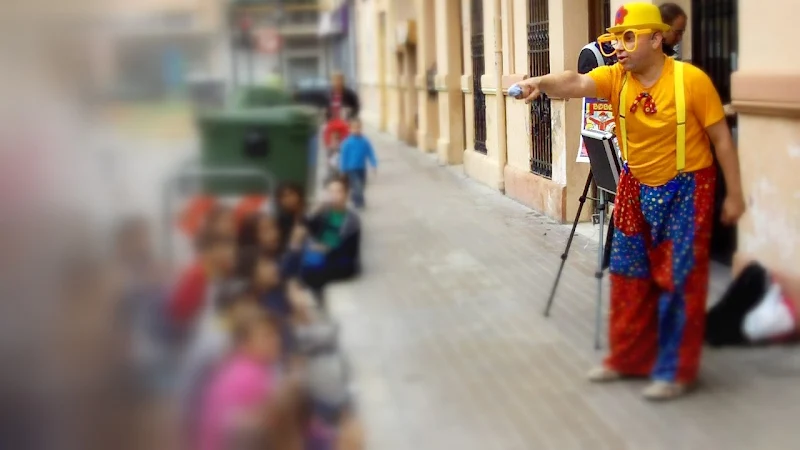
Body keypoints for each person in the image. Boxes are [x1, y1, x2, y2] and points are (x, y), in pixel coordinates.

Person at [514, 2, 746, 400]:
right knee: (628, 273)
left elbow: (722, 139)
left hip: (687, 186)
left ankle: (675, 370)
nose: (618, 47)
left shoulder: (690, 81)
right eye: (616, 38)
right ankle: (629, 357)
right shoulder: (616, 78)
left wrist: (736, 195)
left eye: (628, 37)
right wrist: (541, 82)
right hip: (636, 185)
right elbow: (574, 82)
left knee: (679, 279)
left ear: (657, 39)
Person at [195, 311, 282, 450]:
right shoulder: (249, 374)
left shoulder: (237, 365)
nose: (276, 340)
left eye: (276, 334)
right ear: (244, 343)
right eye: (267, 336)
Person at [301, 176, 362, 308]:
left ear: (346, 194)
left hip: (342, 263)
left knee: (308, 272)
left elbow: (349, 251)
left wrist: (326, 248)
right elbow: (308, 227)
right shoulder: (326, 212)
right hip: (321, 254)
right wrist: (315, 211)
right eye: (331, 192)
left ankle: (318, 304)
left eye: (339, 191)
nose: (335, 195)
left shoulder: (351, 219)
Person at [339, 118, 378, 209]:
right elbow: (344, 156)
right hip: (351, 168)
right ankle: (359, 202)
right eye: (354, 128)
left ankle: (355, 197)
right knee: (357, 185)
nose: (357, 130)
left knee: (362, 185)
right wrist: (343, 169)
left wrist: (374, 164)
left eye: (358, 128)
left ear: (361, 128)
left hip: (362, 168)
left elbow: (370, 152)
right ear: (350, 129)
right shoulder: (347, 142)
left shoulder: (365, 141)